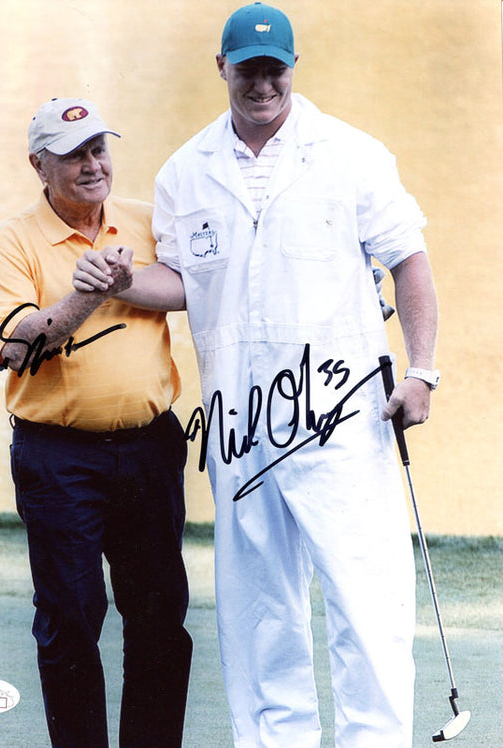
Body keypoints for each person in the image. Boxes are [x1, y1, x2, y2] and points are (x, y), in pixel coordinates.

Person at [75, 4, 439, 746]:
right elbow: (183, 281)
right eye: (247, 69)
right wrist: (117, 282)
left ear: (293, 70)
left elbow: (410, 263)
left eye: (274, 69)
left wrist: (423, 372)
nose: (261, 84)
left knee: (364, 605)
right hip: (241, 429)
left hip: (344, 419)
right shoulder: (186, 171)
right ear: (223, 69)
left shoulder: (352, 153)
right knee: (261, 613)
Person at [0, 97, 192, 748]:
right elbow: (14, 346)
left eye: (99, 148)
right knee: (72, 617)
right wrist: (86, 293)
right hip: (58, 456)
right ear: (39, 166)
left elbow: (196, 286)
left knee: (158, 617)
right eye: (73, 155)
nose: (93, 164)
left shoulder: (147, 221)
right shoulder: (13, 241)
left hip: (152, 448)